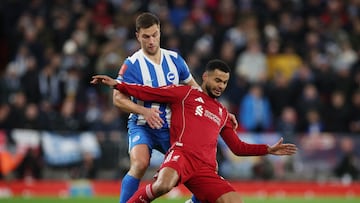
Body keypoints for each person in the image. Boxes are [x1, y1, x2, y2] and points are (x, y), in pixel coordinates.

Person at [91, 59, 297, 203]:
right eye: (217, 80)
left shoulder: (223, 112)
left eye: (224, 82)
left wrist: (267, 149)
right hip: (182, 154)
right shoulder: (186, 93)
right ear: (205, 77)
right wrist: (119, 84)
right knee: (163, 184)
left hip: (206, 169)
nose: (221, 86)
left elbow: (237, 147)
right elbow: (148, 91)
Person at [112, 12, 239, 203]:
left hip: (172, 128)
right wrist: (144, 111)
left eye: (155, 35)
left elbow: (197, 91)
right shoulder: (132, 65)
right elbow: (117, 99)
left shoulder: (174, 60)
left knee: (204, 171)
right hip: (142, 124)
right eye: (146, 36)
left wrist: (221, 111)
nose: (151, 40)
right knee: (140, 164)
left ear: (160, 32)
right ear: (138, 36)